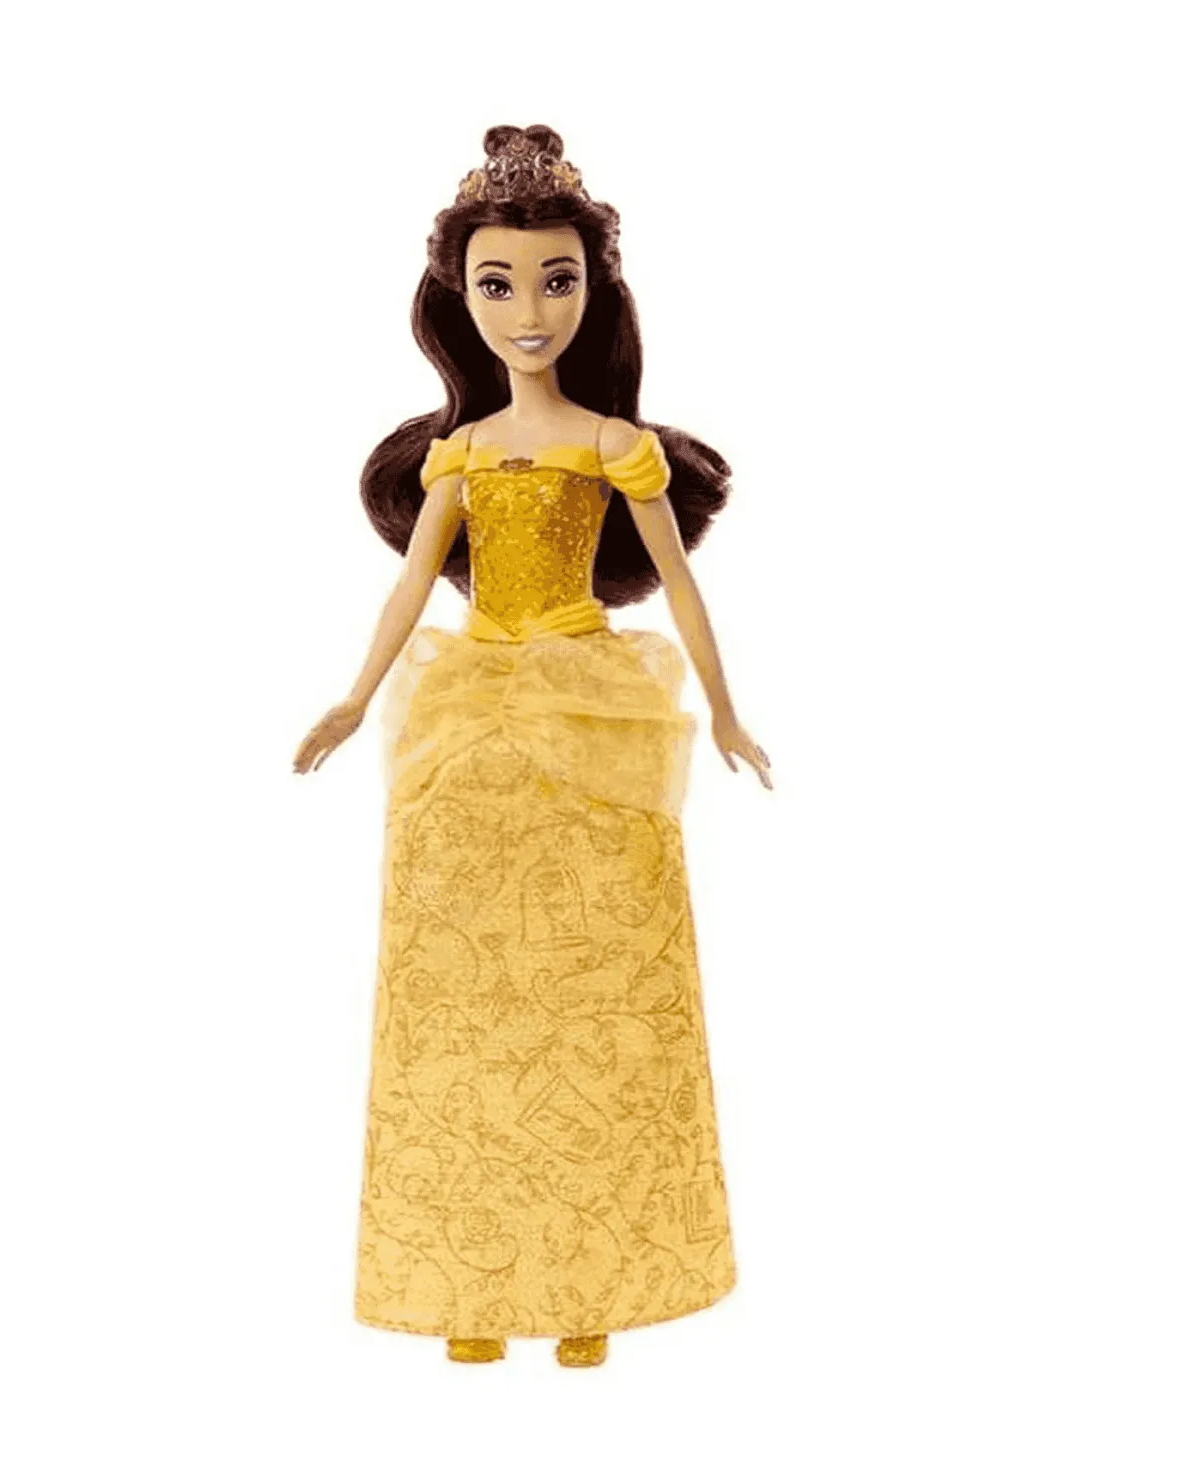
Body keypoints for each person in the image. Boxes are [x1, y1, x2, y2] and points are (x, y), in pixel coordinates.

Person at [294, 124, 771, 1368]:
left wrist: (724, 711)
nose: (527, 311)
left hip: (586, 709)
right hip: (465, 720)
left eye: (554, 281)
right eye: (497, 284)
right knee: (455, 1002)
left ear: (591, 291)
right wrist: (353, 698)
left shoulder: (613, 447)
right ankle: (463, 1278)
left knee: (598, 996)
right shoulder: (456, 452)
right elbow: (412, 588)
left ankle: (587, 1285)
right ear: (458, 299)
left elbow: (678, 586)